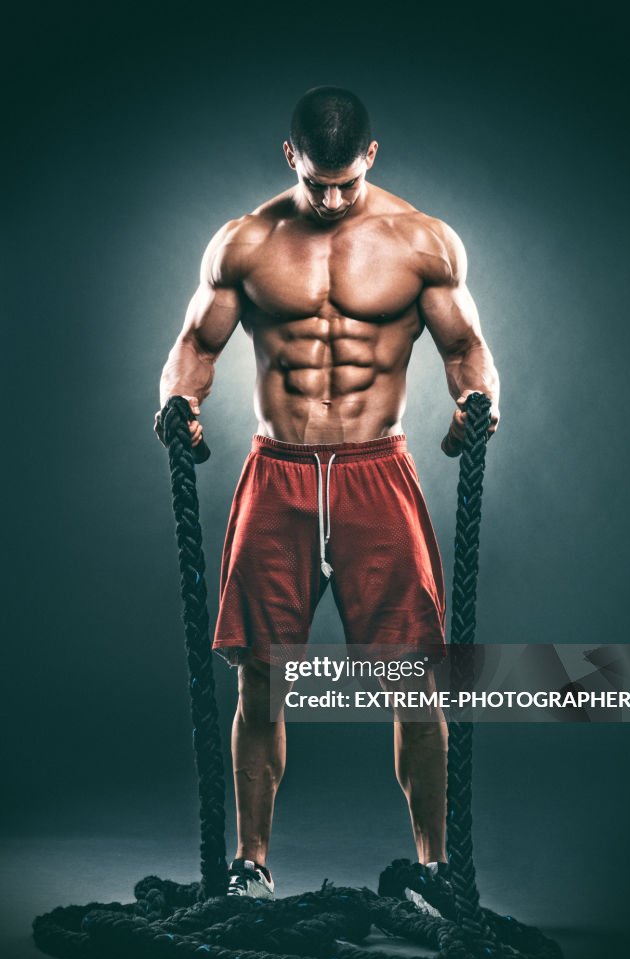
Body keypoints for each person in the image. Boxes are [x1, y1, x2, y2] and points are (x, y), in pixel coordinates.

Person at [156, 86, 500, 903]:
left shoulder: (422, 241)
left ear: (371, 158)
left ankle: (431, 871)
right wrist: (179, 403)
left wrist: (478, 400)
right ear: (291, 158)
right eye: (318, 183)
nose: (334, 198)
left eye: (347, 182)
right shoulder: (245, 242)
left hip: (374, 471)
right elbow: (193, 347)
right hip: (276, 473)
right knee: (261, 682)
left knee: (415, 682)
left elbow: (467, 346)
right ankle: (251, 867)